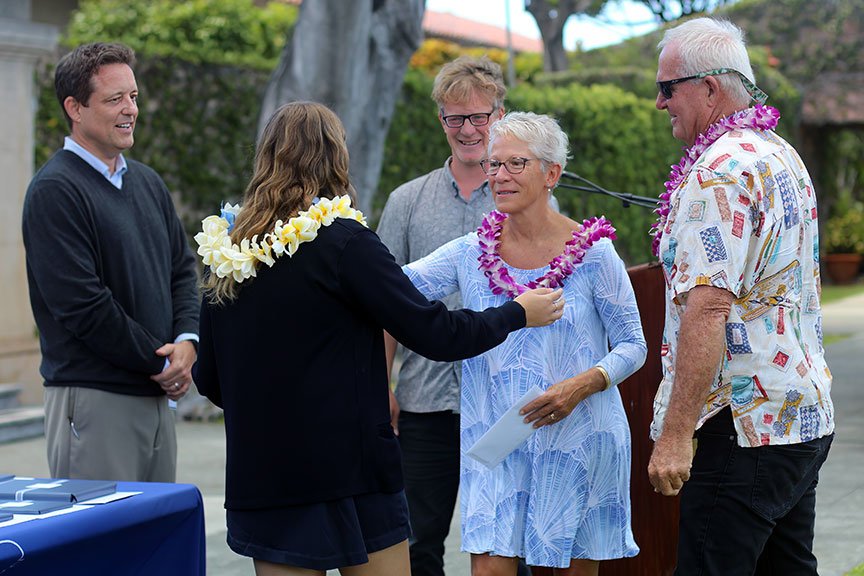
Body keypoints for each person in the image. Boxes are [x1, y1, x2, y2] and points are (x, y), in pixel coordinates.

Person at [191, 101, 564, 576]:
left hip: (266, 475)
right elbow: (434, 331)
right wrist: (515, 313)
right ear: (336, 157)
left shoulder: (227, 250)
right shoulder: (344, 243)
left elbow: (209, 376)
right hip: (350, 472)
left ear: (266, 157)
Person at [400, 111, 647, 576]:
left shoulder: (594, 253)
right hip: (498, 442)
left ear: (552, 173)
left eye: (516, 164)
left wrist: (583, 383)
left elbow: (634, 345)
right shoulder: (469, 253)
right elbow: (392, 290)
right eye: (493, 165)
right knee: (489, 570)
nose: (499, 176)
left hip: (578, 439)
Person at [646, 18, 835, 575]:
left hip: (743, 424)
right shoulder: (780, 153)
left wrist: (676, 436)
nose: (660, 103)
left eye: (667, 88)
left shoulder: (717, 173)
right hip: (799, 415)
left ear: (709, 87)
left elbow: (707, 305)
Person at [21, 42, 199, 482]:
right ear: (74, 108)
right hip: (94, 401)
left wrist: (188, 341)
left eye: (133, 97)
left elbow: (182, 270)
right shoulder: (55, 191)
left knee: (152, 544)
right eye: (114, 99)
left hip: (157, 397)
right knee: (104, 547)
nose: (130, 110)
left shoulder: (147, 182)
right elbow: (83, 306)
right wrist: (161, 365)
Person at [376, 55, 507, 576]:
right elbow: (382, 305)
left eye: (480, 117)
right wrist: (380, 385)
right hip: (425, 404)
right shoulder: (406, 201)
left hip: (504, 399)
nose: (469, 129)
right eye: (457, 118)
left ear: (501, 115)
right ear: (441, 122)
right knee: (416, 542)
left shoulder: (526, 195)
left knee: (504, 539)